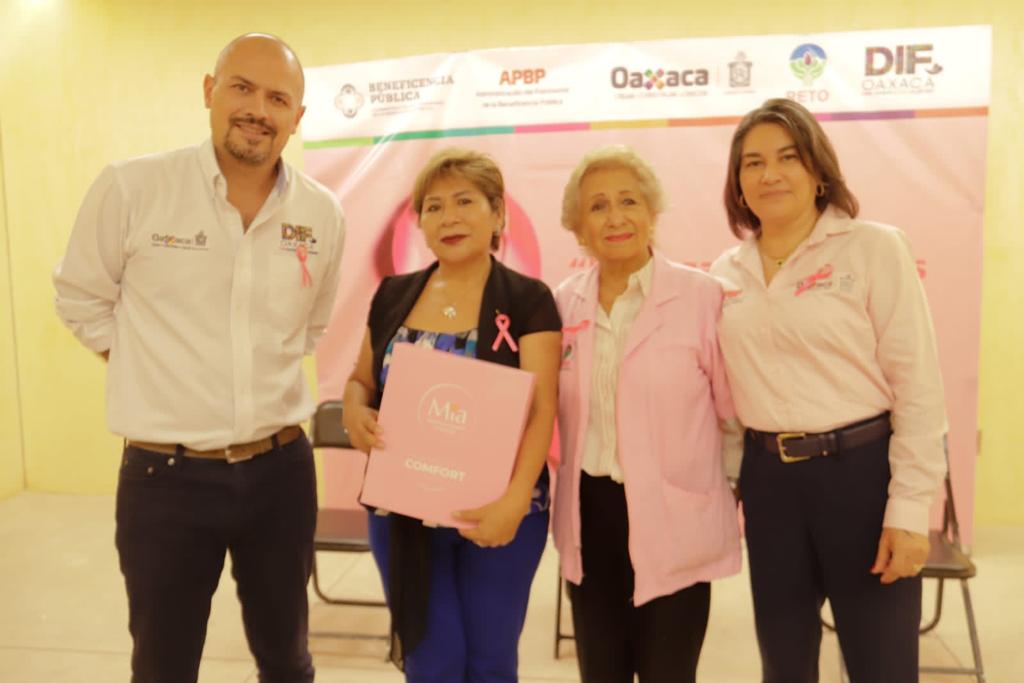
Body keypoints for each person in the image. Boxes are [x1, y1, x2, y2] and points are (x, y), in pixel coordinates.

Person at [53, 34, 346, 683]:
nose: (258, 110)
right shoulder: (134, 187)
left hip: (281, 474)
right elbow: (80, 298)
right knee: (164, 664)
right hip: (165, 479)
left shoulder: (322, 214)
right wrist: (150, 366)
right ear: (210, 91)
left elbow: (308, 328)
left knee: (288, 660)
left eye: (278, 98)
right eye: (242, 88)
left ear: (298, 117)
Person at [711, 97, 947, 682]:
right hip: (770, 484)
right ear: (738, 183)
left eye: (788, 157)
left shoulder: (873, 247)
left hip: (861, 477)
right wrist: (733, 482)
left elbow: (917, 386)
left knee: (881, 664)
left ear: (818, 170)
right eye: (753, 163)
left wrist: (910, 509)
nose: (770, 174)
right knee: (784, 662)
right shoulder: (725, 273)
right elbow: (727, 397)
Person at [342, 148, 561, 683]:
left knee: (490, 663)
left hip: (499, 510)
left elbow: (542, 409)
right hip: (403, 512)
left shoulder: (528, 299)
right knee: (431, 663)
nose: (449, 218)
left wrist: (514, 502)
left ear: (497, 213)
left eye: (465, 201)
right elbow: (361, 380)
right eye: (434, 207)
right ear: (419, 222)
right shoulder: (393, 294)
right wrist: (352, 411)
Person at [551, 145, 741, 683]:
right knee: (601, 672)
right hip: (591, 514)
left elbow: (733, 414)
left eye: (629, 201)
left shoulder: (703, 298)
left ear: (652, 212)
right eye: (598, 206)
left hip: (674, 515)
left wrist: (724, 489)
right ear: (578, 227)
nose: (616, 218)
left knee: (669, 673)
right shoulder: (562, 304)